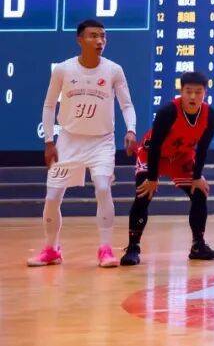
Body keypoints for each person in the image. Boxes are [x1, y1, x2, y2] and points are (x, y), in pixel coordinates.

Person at [28, 19, 137, 268]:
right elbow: (49, 106)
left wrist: (131, 130)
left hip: (101, 142)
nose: (99, 41)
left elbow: (127, 105)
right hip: (68, 141)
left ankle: (105, 249)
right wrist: (49, 141)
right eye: (93, 36)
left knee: (102, 188)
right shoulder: (63, 69)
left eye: (103, 36)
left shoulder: (114, 70)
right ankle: (51, 249)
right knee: (52, 197)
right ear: (79, 40)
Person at [120, 71, 214, 266]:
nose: (193, 96)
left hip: (181, 157)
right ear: (181, 92)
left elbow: (202, 148)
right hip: (152, 154)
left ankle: (198, 245)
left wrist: (197, 177)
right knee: (143, 195)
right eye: (188, 91)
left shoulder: (211, 116)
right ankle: (133, 248)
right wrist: (152, 178)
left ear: (205, 93)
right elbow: (155, 145)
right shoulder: (168, 112)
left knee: (199, 193)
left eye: (198, 92)